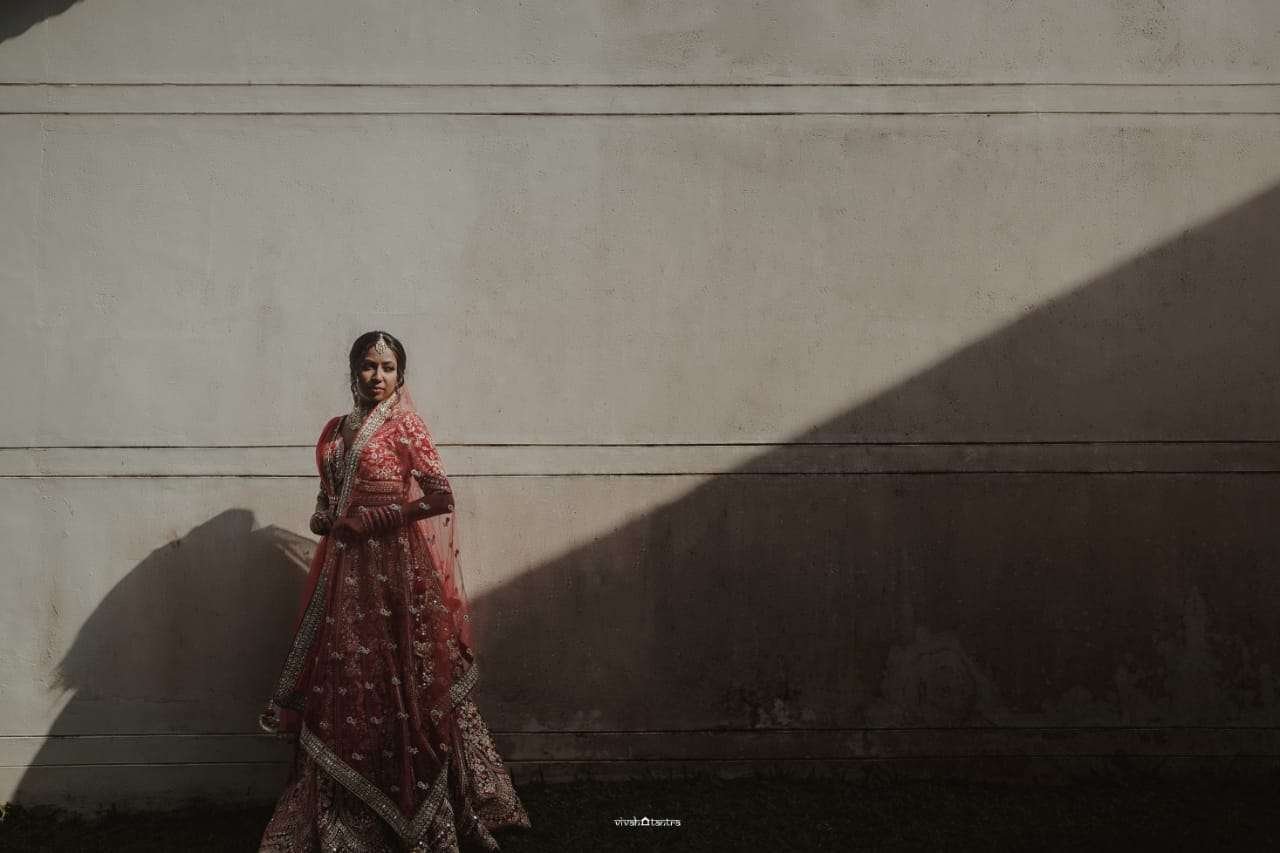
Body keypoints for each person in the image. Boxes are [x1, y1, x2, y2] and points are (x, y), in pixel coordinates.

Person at [258, 331, 531, 852]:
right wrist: (325, 518)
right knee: (347, 678)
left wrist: (377, 519)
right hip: (346, 575)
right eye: (368, 366)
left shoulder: (406, 426)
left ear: (400, 375)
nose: (377, 376)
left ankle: (427, 806)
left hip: (396, 574)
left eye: (387, 368)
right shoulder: (335, 432)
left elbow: (441, 496)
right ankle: (341, 815)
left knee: (406, 684)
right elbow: (328, 499)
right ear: (353, 371)